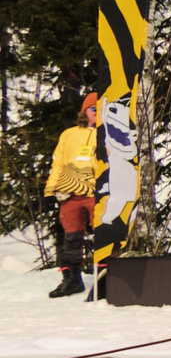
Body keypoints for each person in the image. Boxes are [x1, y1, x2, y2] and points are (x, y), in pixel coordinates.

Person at [44, 92, 101, 297]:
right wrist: (52, 189)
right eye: (93, 109)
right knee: (70, 237)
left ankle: (105, 276)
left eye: (101, 109)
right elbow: (58, 162)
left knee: (103, 233)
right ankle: (71, 279)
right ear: (85, 111)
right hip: (69, 192)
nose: (97, 112)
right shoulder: (69, 134)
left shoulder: (107, 133)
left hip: (96, 191)